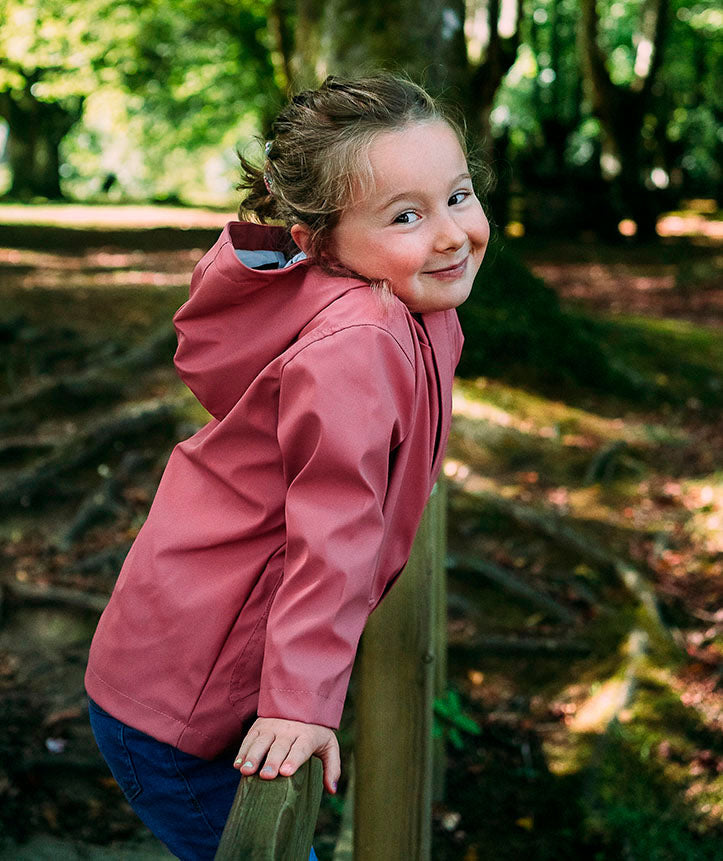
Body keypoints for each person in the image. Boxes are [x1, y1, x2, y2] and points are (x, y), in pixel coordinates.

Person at [85, 73, 491, 860]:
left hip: (197, 668)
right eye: (406, 215)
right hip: (178, 706)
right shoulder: (359, 342)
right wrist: (303, 703)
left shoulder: (414, 306)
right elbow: (334, 528)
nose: (449, 233)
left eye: (458, 195)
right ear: (317, 242)